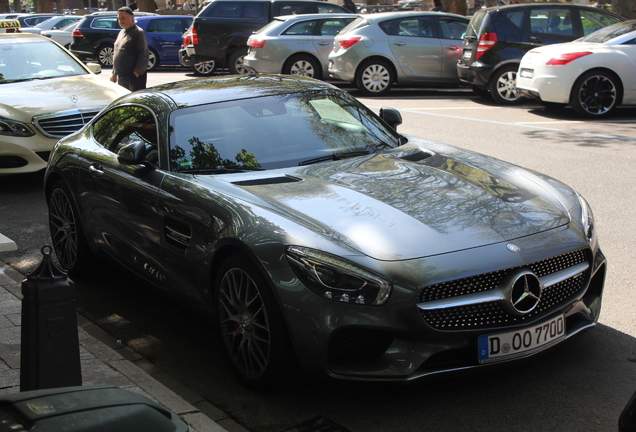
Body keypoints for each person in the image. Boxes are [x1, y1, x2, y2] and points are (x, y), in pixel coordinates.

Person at [110, 7, 149, 92]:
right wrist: (114, 73)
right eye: (119, 19)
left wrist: (136, 73)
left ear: (131, 17)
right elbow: (117, 53)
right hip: (121, 77)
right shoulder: (121, 32)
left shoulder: (138, 33)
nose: (121, 21)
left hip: (133, 78)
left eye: (123, 18)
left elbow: (144, 55)